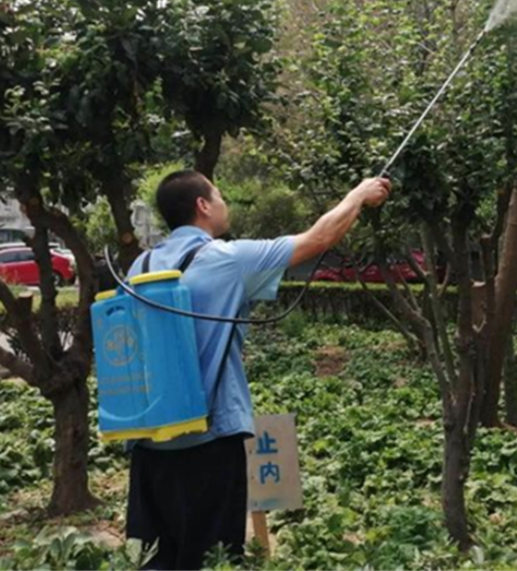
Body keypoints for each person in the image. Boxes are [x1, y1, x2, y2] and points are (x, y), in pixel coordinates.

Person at [125, 169, 391, 570]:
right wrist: (359, 193)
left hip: (149, 443)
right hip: (209, 443)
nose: (223, 202)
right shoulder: (226, 260)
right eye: (218, 195)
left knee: (158, 559)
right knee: (213, 558)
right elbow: (318, 239)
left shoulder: (139, 267)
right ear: (202, 206)